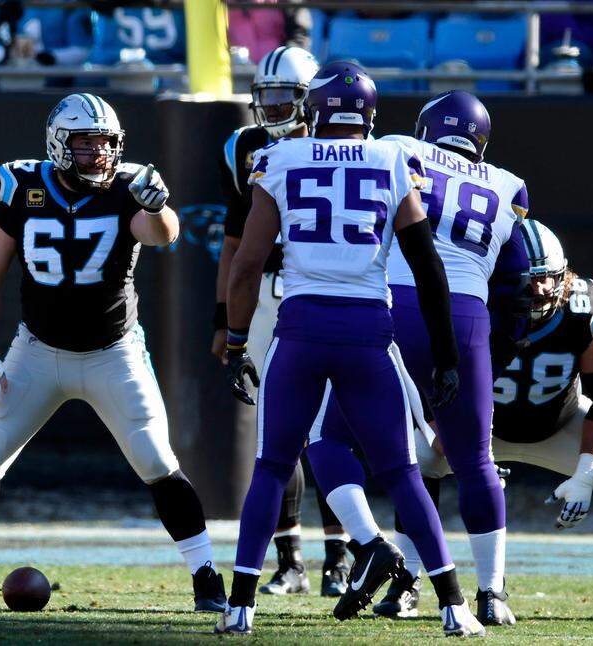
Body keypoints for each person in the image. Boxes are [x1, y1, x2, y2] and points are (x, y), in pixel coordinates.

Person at [0, 93, 227, 613]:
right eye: (86, 144)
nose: (99, 155)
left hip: (113, 352)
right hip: (37, 350)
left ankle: (205, 578)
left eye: (106, 144)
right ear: (59, 145)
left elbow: (163, 235)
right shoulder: (23, 186)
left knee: (156, 460)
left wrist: (159, 206)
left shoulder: (129, 186)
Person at [216, 62, 483, 637]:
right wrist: (445, 355)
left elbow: (245, 267)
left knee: (272, 466)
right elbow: (427, 265)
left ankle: (240, 607)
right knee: (404, 474)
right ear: (367, 114)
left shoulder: (280, 159)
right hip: (369, 333)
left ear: (315, 109)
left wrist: (238, 340)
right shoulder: (391, 158)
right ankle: (455, 607)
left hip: (299, 331)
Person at [312, 91, 532, 627]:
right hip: (468, 316)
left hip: (395, 303)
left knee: (327, 436)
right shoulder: (509, 186)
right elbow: (518, 284)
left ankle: (369, 546)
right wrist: (489, 350)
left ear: (426, 127)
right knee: (475, 457)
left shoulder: (395, 147)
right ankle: (491, 593)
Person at [390, 220, 593, 620]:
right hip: (478, 427)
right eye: (527, 279)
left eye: (549, 279)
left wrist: (586, 473)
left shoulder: (580, 307)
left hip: (559, 422)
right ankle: (407, 581)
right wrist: (439, 429)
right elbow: (427, 375)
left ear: (563, 274)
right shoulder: (469, 303)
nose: (540, 290)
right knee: (418, 461)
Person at [212, 45, 351, 598]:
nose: (271, 108)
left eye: (283, 97)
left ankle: (339, 557)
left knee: (331, 427)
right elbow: (232, 242)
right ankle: (291, 561)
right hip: (265, 293)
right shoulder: (244, 147)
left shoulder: (339, 142)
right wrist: (224, 316)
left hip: (320, 290)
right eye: (265, 96)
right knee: (279, 429)